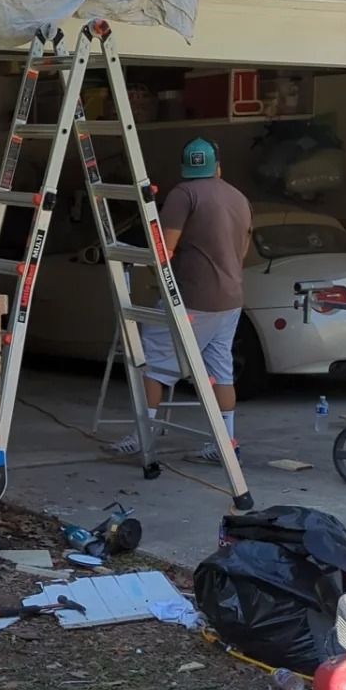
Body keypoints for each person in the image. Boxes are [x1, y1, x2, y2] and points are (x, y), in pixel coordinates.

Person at [108, 137, 253, 464]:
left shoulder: (183, 194)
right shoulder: (239, 198)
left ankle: (143, 436)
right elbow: (242, 251)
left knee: (153, 361)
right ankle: (225, 443)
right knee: (221, 370)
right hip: (231, 299)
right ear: (218, 167)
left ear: (185, 168)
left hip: (191, 299)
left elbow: (165, 250)